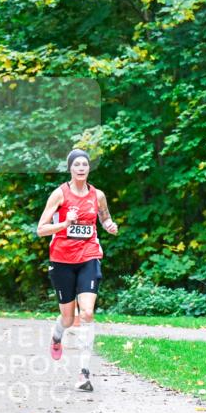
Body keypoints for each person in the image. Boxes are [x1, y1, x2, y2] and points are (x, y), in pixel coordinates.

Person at [36, 149, 118, 392]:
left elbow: (104, 217)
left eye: (85, 164)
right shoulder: (59, 194)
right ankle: (57, 336)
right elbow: (41, 229)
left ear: (89, 168)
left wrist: (109, 225)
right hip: (61, 260)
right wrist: (65, 223)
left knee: (88, 313)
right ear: (70, 168)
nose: (81, 168)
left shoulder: (98, 195)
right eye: (76, 165)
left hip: (89, 257)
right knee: (68, 319)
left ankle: (84, 374)